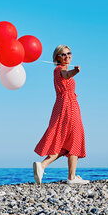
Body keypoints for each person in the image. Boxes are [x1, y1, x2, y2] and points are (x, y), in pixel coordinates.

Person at [33, 45, 89, 185]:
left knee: (67, 141)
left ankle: (45, 166)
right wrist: (75, 71)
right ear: (58, 57)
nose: (67, 56)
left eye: (69, 53)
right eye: (63, 54)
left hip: (63, 105)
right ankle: (70, 177)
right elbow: (67, 75)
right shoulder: (60, 69)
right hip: (68, 106)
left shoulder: (59, 69)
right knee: (75, 137)